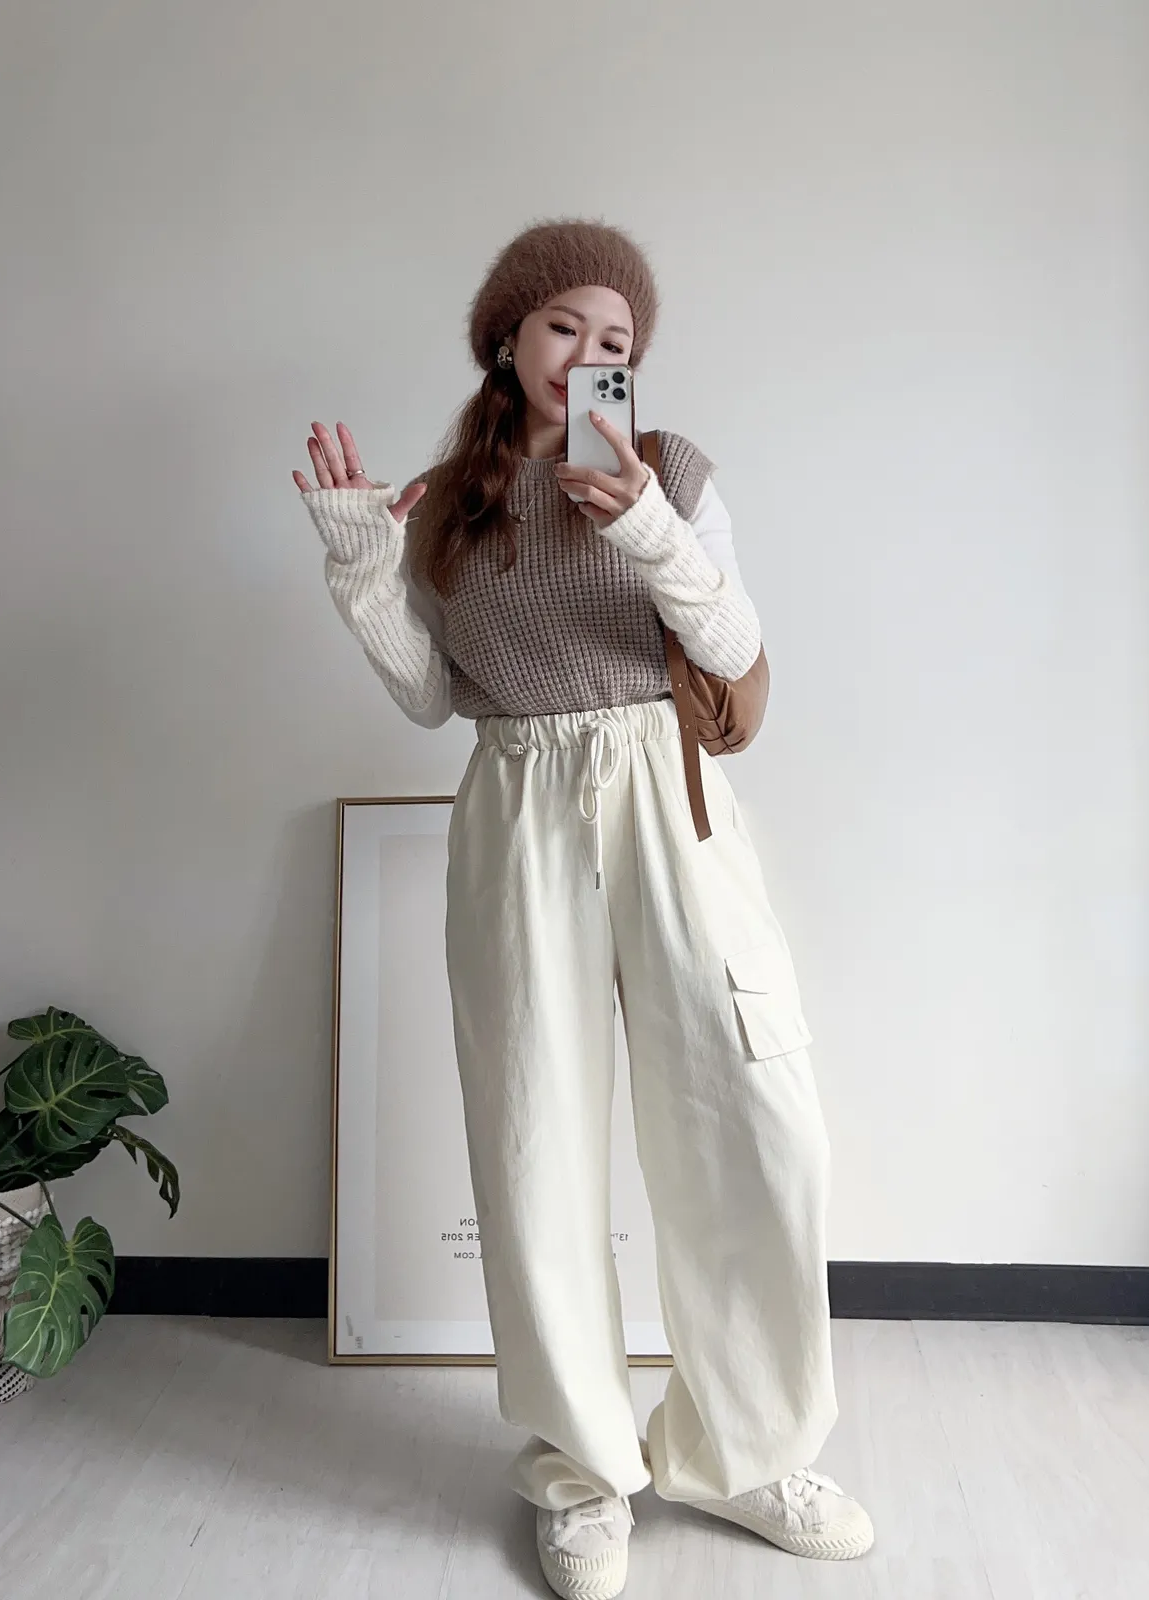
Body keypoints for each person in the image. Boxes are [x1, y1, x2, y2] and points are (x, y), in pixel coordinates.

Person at [293, 218, 874, 1597]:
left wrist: (649, 527)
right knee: (535, 1140)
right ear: (508, 337)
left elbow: (734, 648)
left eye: (618, 339)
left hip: (671, 804)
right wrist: (362, 563)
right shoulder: (451, 503)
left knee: (755, 1124)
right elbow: (431, 697)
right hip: (520, 809)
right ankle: (581, 1469)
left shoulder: (671, 469)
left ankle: (745, 1452)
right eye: (567, 325)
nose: (590, 354)